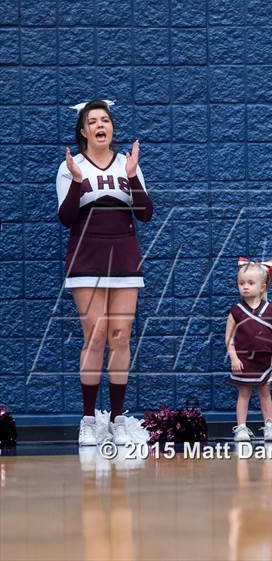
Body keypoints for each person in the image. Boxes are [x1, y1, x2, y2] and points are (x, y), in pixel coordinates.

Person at [56, 99, 153, 446]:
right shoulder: (71, 167)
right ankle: (88, 419)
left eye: (106, 120)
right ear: (83, 131)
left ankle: (117, 419)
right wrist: (79, 182)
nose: (100, 125)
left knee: (120, 337)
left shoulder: (128, 164)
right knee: (95, 336)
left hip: (125, 257)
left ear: (112, 127)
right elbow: (66, 218)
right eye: (93, 121)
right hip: (86, 259)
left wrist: (132, 177)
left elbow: (145, 213)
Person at [225, 257, 272, 442]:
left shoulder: (271, 309)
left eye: (250, 283)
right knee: (244, 394)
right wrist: (234, 358)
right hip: (243, 361)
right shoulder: (236, 310)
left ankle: (269, 426)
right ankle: (241, 428)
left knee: (265, 394)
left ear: (263, 287)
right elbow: (229, 337)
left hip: (264, 360)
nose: (245, 286)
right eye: (241, 283)